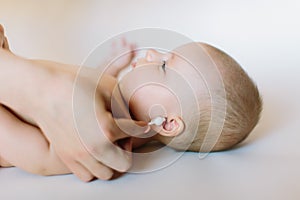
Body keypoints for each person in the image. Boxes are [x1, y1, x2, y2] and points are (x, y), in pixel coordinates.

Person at [0, 25, 262, 181]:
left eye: (162, 65)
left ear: (168, 123)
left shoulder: (107, 137)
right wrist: (109, 68)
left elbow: (42, 157)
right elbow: (78, 85)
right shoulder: (116, 93)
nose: (151, 53)